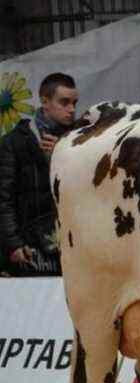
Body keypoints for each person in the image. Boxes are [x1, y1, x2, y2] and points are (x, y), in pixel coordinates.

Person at [0, 73, 79, 276]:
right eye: (64, 102)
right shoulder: (14, 142)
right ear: (45, 101)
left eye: (74, 103)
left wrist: (65, 153)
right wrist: (13, 243)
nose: (71, 109)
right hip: (30, 248)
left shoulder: (80, 138)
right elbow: (4, 198)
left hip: (74, 245)